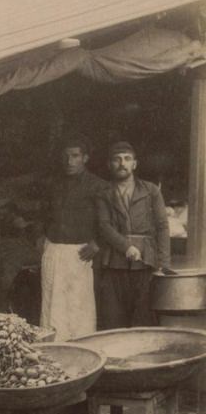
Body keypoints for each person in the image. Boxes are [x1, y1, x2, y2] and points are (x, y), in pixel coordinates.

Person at [39, 135, 109, 341]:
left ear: (85, 158)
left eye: (75, 156)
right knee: (53, 306)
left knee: (79, 309)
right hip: (54, 251)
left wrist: (99, 243)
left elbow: (112, 221)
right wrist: (39, 237)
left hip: (81, 254)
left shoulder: (98, 185)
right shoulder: (54, 184)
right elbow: (42, 215)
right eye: (66, 156)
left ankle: (83, 352)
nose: (69, 161)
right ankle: (56, 351)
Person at [97, 141, 171, 328]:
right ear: (109, 165)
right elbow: (104, 226)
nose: (122, 163)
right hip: (114, 264)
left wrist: (163, 264)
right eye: (117, 159)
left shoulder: (151, 190)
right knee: (113, 320)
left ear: (134, 164)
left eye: (127, 159)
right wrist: (126, 246)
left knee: (143, 320)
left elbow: (162, 226)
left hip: (145, 264)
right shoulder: (103, 193)